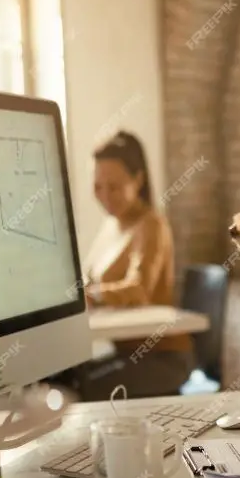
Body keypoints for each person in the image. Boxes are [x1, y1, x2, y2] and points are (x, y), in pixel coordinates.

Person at [78, 131, 193, 398]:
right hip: (126, 353)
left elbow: (138, 288)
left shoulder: (151, 224)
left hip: (163, 357)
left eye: (114, 187)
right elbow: (89, 278)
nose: (104, 195)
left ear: (138, 180)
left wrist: (93, 295)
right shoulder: (111, 224)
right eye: (97, 186)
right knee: (65, 378)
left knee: (80, 388)